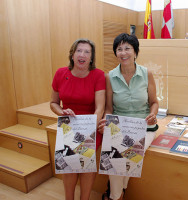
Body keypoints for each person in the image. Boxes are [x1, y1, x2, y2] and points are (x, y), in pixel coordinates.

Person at [101, 33, 159, 200]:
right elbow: (109, 108)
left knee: (129, 151)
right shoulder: (109, 76)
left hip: (144, 127)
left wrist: (153, 114)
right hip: (120, 125)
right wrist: (106, 120)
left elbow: (154, 102)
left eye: (127, 48)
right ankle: (119, 194)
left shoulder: (146, 73)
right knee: (115, 154)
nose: (123, 52)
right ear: (115, 53)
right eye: (119, 49)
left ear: (135, 51)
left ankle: (114, 196)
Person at [50, 38, 106, 200]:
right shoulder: (60, 73)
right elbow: (53, 103)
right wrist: (61, 112)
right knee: (68, 166)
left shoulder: (98, 75)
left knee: (86, 166)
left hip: (91, 127)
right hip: (68, 127)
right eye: (79, 51)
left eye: (87, 52)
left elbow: (100, 107)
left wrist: (88, 132)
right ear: (72, 55)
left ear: (91, 57)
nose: (82, 54)